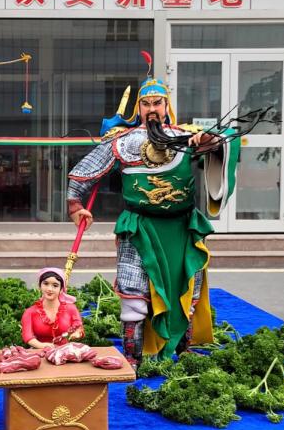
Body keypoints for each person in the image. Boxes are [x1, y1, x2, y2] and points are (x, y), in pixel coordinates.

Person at [66, 65, 240, 368]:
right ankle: (132, 356)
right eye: (145, 104)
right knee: (133, 293)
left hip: (181, 228)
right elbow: (84, 171)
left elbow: (226, 141)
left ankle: (183, 351)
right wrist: (75, 205)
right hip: (139, 228)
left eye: (157, 103)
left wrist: (211, 141)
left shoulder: (187, 137)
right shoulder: (122, 141)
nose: (151, 109)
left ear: (166, 106)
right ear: (139, 108)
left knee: (186, 288)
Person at [21, 267, 85, 349]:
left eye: (55, 285)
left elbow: (79, 328)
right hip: (40, 352)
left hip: (65, 352)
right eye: (46, 284)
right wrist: (41, 345)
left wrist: (77, 333)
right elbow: (27, 336)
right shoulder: (30, 312)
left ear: (61, 289)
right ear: (39, 286)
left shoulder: (71, 309)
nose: (49, 289)